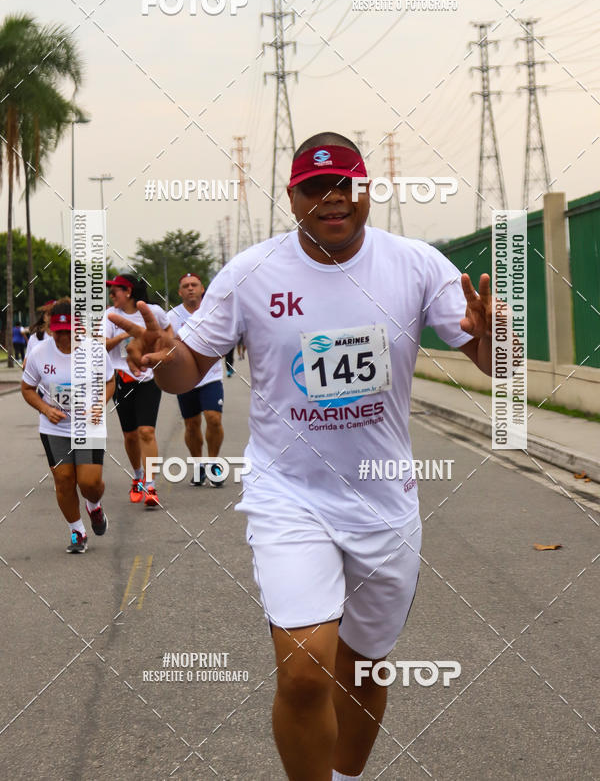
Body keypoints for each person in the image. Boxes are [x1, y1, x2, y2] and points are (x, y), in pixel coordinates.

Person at [109, 132, 494, 781]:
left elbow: (490, 360)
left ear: (366, 191)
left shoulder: (417, 266)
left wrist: (498, 339)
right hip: (289, 495)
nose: (332, 198)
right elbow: (186, 369)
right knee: (306, 670)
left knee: (363, 669)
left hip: (383, 501)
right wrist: (159, 359)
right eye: (315, 187)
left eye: (345, 184)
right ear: (291, 198)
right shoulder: (252, 273)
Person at [21, 301, 114, 554]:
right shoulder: (39, 353)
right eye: (58, 331)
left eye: (68, 330)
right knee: (63, 480)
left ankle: (94, 506)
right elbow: (27, 388)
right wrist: (45, 408)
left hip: (88, 425)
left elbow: (110, 381)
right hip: (55, 428)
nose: (63, 336)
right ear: (50, 328)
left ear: (78, 327)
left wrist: (99, 405)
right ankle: (77, 531)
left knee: (89, 483)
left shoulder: (94, 350)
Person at [103, 273, 170, 508]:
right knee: (130, 435)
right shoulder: (110, 316)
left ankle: (150, 485)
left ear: (128, 292)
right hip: (122, 379)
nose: (111, 295)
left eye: (115, 291)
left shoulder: (153, 312)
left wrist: (161, 352)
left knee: (147, 431)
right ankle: (138, 475)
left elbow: (169, 334)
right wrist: (125, 334)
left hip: (149, 379)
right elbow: (101, 345)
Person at [166, 273, 225, 487]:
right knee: (191, 425)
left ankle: (213, 463)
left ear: (202, 289)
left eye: (194, 285)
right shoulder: (172, 316)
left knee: (213, 419)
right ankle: (198, 464)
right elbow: (168, 344)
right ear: (180, 292)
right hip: (185, 378)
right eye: (186, 286)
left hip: (211, 375)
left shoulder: (213, 312)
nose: (190, 288)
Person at [22, 299, 56, 369]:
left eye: (57, 314)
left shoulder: (70, 339)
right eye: (50, 314)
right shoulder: (35, 338)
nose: (54, 317)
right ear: (44, 317)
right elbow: (25, 365)